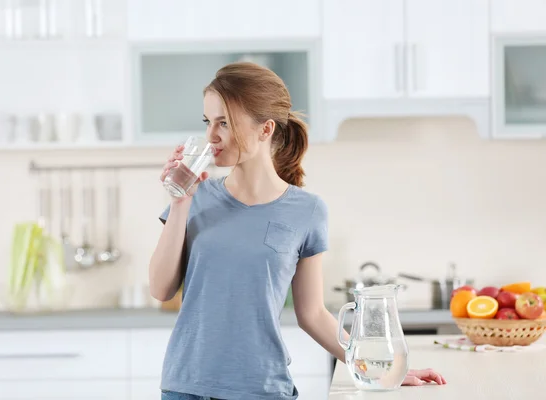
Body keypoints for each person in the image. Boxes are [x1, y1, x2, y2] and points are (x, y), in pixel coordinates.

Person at [149, 62, 446, 400]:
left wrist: (381, 369)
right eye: (208, 122)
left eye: (225, 123)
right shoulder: (195, 197)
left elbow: (312, 314)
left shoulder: (307, 211)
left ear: (265, 129)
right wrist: (179, 203)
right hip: (186, 387)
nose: (211, 136)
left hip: (261, 389)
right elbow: (161, 289)